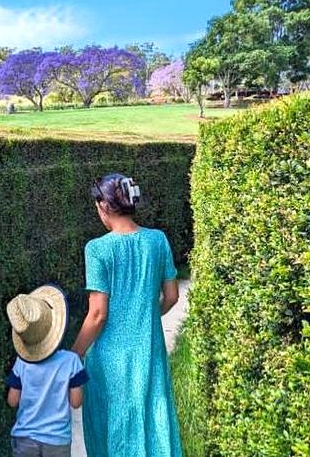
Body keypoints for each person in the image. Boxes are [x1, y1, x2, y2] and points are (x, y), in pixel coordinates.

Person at [72, 174, 183, 457]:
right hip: (149, 351)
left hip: (109, 360)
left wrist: (74, 354)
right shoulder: (158, 241)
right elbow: (171, 297)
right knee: (152, 422)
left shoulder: (97, 249)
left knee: (114, 430)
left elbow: (97, 314)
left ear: (103, 206)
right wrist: (144, 316)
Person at [5, 285, 89, 457]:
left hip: (24, 437)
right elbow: (76, 402)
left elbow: (12, 401)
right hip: (57, 440)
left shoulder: (21, 362)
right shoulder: (71, 361)